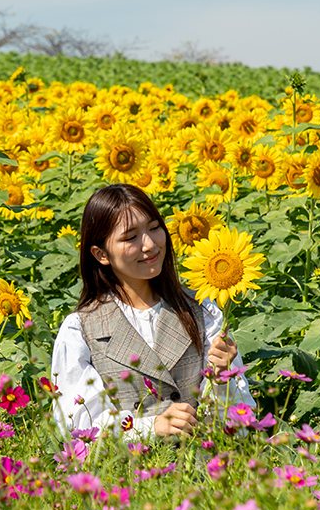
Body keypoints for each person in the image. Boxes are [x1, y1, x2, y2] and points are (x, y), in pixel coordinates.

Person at [51, 183, 255, 438]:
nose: (149, 244)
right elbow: (78, 425)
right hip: (124, 474)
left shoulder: (203, 310)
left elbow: (241, 425)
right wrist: (150, 427)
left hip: (202, 473)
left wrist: (222, 380)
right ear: (101, 254)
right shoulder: (81, 329)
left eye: (154, 228)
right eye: (130, 237)